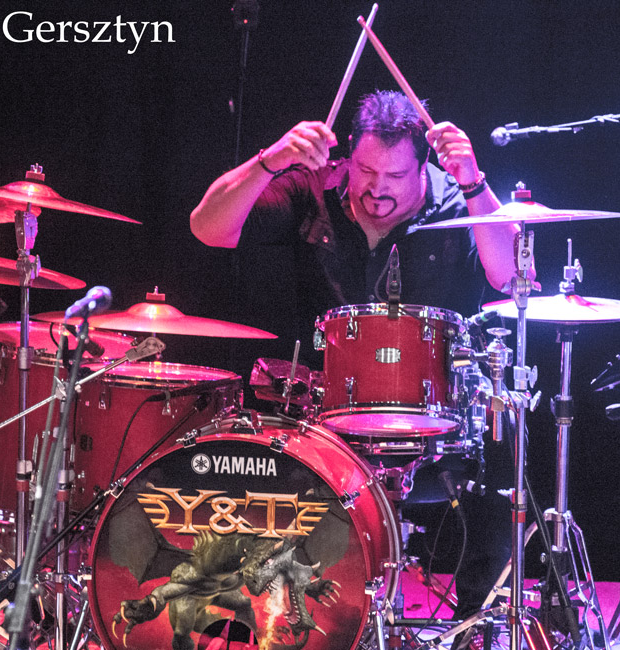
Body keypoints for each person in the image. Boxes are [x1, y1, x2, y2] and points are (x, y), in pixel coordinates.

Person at [191, 90, 517, 620]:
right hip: (324, 424)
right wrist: (270, 161)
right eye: (366, 171)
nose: (375, 190)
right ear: (349, 158)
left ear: (424, 166)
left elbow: (511, 277)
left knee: (502, 469)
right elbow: (208, 228)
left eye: (394, 178)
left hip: (439, 423)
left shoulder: (457, 201)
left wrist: (475, 183)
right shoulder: (316, 190)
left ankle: (473, 626)